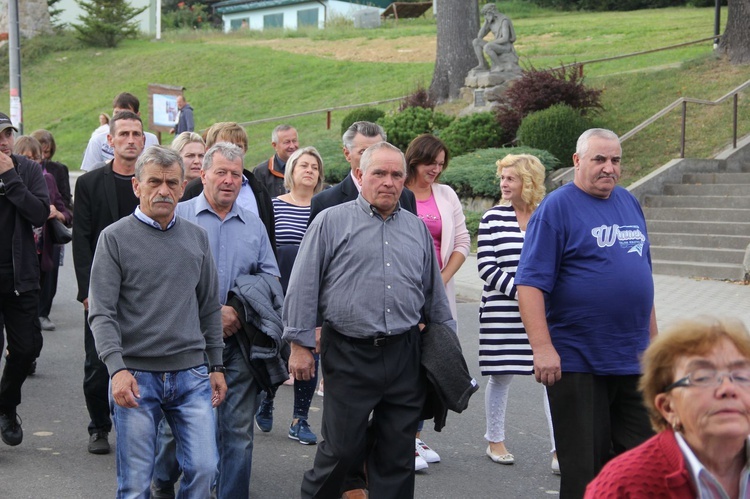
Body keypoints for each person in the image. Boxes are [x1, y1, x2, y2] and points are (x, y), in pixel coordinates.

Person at [283, 141, 456, 499]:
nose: (389, 182)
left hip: (404, 354)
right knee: (341, 450)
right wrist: (299, 346)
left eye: (396, 175)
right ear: (360, 175)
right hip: (349, 354)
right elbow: (302, 286)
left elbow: (435, 298)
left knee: (397, 455)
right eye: (379, 173)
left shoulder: (416, 229)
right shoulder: (331, 221)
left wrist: (446, 352)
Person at [516, 128, 658, 498]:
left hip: (634, 360)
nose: (609, 168)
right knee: (585, 473)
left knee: (642, 466)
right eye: (599, 159)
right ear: (578, 161)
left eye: (615, 160)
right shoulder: (557, 208)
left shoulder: (629, 202)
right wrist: (542, 349)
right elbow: (530, 284)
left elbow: (642, 278)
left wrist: (657, 349)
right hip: (578, 361)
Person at [88, 145, 226, 498]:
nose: (163, 190)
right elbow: (101, 312)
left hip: (192, 373)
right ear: (137, 186)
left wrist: (216, 364)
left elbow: (210, 306)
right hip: (134, 376)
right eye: (154, 182)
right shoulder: (114, 238)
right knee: (134, 484)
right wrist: (116, 369)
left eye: (171, 183)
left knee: (205, 468)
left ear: (183, 188)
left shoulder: (197, 237)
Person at [162, 141, 279, 498]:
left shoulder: (254, 225)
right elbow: (159, 281)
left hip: (238, 344)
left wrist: (238, 311)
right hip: (186, 342)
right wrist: (211, 314)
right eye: (222, 173)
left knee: (238, 432)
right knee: (176, 430)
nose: (229, 180)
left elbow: (271, 280)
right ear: (203, 174)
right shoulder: (176, 217)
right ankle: (163, 479)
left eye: (236, 175)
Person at [586, 317, 750, 498]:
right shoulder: (624, 485)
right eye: (703, 377)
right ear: (668, 407)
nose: (728, 388)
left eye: (742, 375)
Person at [476, 154, 557, 472]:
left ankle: (558, 448)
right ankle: (495, 440)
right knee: (501, 376)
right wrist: (524, 295)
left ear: (530, 181)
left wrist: (540, 299)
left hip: (543, 312)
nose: (503, 184)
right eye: (502, 178)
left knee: (551, 378)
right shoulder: (493, 218)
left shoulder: (546, 217)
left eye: (511, 178)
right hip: (501, 312)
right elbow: (485, 266)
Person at [73, 111, 146, 455]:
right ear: (111, 141)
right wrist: (88, 290)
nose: (131, 140)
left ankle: (135, 423)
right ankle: (99, 425)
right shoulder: (89, 184)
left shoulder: (152, 181)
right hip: (101, 289)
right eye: (125, 134)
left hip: (144, 288)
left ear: (143, 141)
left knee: (141, 358)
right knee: (96, 362)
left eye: (136, 134)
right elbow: (82, 239)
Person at [404, 134, 470, 470]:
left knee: (432, 368)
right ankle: (403, 439)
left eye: (442, 165)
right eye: (432, 163)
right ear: (416, 159)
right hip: (402, 295)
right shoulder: (397, 189)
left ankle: (415, 437)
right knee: (406, 371)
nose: (437, 170)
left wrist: (440, 281)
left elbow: (462, 241)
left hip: (438, 297)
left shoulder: (445, 194)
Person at [256, 146, 325, 446]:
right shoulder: (274, 206)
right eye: (303, 166)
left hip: (314, 291)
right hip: (279, 287)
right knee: (274, 348)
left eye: (314, 167)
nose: (309, 170)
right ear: (291, 173)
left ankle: (300, 419)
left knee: (310, 350)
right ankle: (266, 398)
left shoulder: (325, 207)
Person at [0, 113, 50, 447]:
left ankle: (5, 406)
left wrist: (9, 177)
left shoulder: (28, 169)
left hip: (20, 278)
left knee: (26, 349)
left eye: (7, 134)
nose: (2, 140)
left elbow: (39, 213)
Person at [182, 122, 276, 250]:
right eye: (224, 147)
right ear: (208, 151)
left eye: (238, 147)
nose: (231, 152)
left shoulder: (258, 191)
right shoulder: (194, 189)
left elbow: (268, 242)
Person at [13, 136, 72, 339]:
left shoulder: (48, 180)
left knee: (43, 287)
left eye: (34, 158)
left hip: (43, 248)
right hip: (19, 253)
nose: (30, 162)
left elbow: (67, 212)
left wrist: (57, 213)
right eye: (24, 157)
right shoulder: (8, 183)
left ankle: (41, 316)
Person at [308, 121, 417, 224]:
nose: (371, 158)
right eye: (363, 152)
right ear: (347, 154)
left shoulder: (405, 197)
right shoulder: (325, 202)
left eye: (376, 152)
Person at [31, 129, 73, 332]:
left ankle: (42, 312)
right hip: (28, 237)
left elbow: (65, 202)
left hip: (50, 232)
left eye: (46, 153)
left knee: (50, 270)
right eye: (41, 153)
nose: (43, 158)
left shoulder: (56, 172)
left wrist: (58, 213)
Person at [80, 92, 159, 172]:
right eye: (117, 113)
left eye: (127, 113)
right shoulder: (97, 140)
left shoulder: (151, 139)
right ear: (110, 139)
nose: (120, 117)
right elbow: (89, 173)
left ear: (137, 115)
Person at [253, 124, 299, 198]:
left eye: (294, 141)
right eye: (287, 142)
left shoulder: (308, 168)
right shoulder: (261, 172)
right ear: (275, 145)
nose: (292, 146)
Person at [472, 3, 517, 72]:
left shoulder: (504, 21)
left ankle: (499, 66)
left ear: (491, 12)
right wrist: (486, 22)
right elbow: (480, 36)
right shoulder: (491, 22)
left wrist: (491, 43)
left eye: (486, 14)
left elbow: (505, 38)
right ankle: (482, 64)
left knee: (488, 47)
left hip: (505, 47)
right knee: (476, 41)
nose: (485, 16)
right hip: (496, 45)